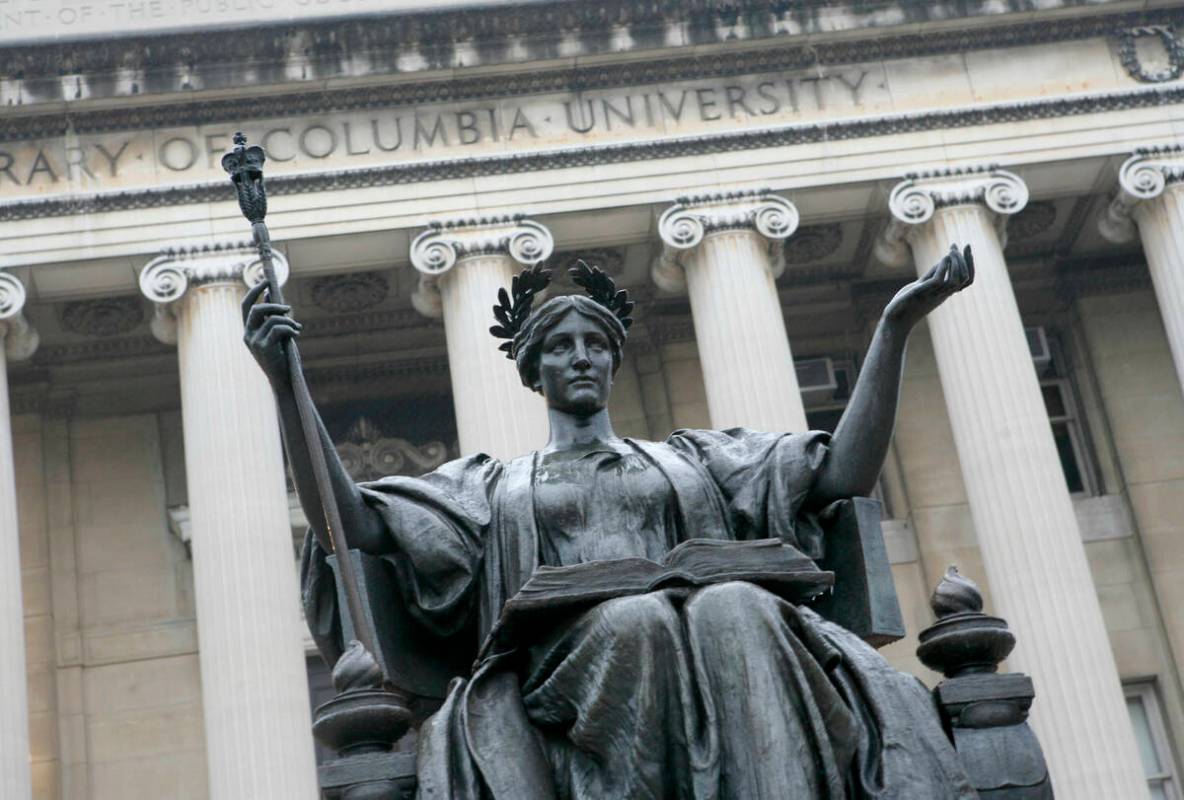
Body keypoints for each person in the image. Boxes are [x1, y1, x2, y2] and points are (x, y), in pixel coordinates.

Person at [243, 247, 980, 799]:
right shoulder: (492, 487)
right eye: (561, 347)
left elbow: (842, 473)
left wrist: (893, 328)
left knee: (739, 606)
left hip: (709, 630)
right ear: (535, 371)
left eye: (595, 345)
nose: (582, 358)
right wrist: (285, 385)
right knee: (636, 622)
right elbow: (352, 523)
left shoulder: (696, 460)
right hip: (563, 663)